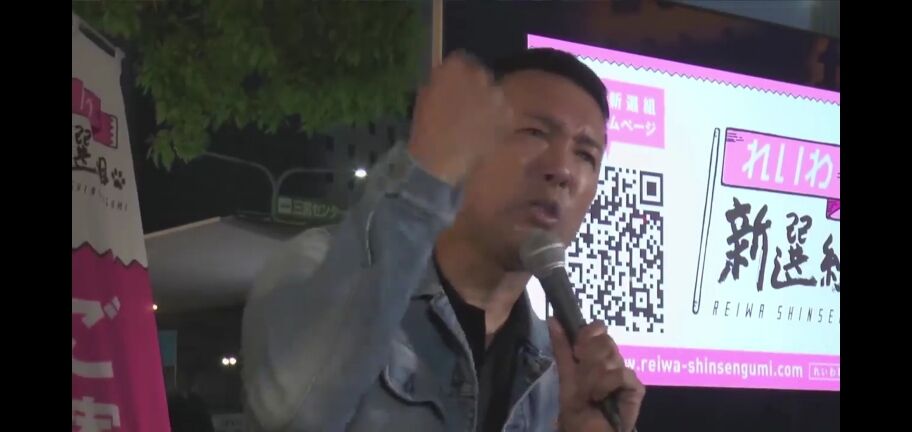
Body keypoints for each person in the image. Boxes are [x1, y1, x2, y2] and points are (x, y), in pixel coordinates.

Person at [242, 48, 646, 432]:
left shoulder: (554, 375)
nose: (562, 170)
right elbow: (296, 416)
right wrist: (424, 178)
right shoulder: (320, 267)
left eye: (585, 155)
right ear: (464, 141)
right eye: (535, 132)